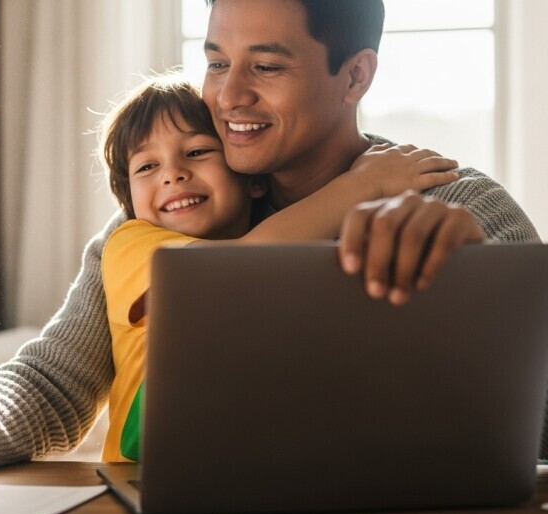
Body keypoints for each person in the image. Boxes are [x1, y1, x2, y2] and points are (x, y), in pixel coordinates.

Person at [0, 0, 548, 498]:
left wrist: (475, 283)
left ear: (355, 74)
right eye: (215, 61)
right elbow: (54, 380)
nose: (228, 98)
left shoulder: (455, 198)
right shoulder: (180, 212)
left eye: (265, 67)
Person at [96, 75, 460, 461]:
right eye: (147, 166)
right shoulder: (129, 243)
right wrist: (364, 184)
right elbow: (237, 269)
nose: (172, 174)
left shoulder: (289, 241)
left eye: (198, 152)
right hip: (142, 470)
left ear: (252, 180)